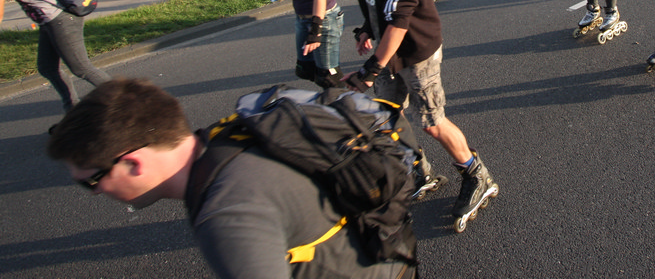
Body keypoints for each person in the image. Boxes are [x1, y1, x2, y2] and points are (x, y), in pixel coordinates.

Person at [46, 78, 413, 279]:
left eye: (91, 181)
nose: (94, 193)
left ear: (133, 163)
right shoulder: (232, 134)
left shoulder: (226, 216)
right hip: (386, 257)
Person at [322, 0, 498, 231]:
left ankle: (477, 175)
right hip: (389, 49)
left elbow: (401, 17)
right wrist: (367, 29)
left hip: (415, 50)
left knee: (432, 122)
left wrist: (370, 70)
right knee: (387, 115)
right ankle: (419, 171)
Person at [0, 0, 110, 112]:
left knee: (81, 68)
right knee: (48, 68)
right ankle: (73, 110)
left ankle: (127, 102)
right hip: (52, 20)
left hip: (59, 19)